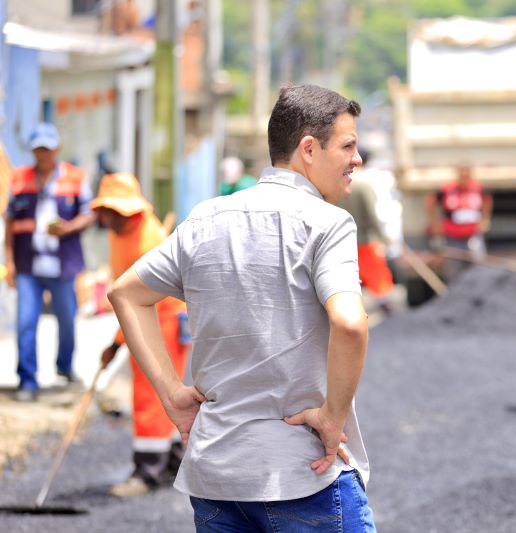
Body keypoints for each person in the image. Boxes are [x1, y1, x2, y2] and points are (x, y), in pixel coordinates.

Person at [107, 85, 375, 530]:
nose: (357, 158)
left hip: (215, 480)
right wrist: (333, 418)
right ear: (309, 149)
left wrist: (174, 396)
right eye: (348, 145)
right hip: (302, 475)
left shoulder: (206, 219)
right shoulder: (327, 224)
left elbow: (125, 294)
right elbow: (350, 324)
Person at [91, 172, 189, 497]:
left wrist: (118, 342)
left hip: (162, 318)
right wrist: (117, 342)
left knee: (150, 392)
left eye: (115, 212)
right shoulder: (119, 234)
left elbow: (142, 300)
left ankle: (148, 469)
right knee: (162, 390)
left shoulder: (147, 238)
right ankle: (174, 459)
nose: (109, 218)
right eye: (107, 211)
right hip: (145, 313)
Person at [4, 123, 94, 402]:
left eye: (47, 149)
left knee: (67, 320)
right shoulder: (19, 178)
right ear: (33, 151)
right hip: (27, 265)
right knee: (25, 323)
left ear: (56, 148)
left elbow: (89, 214)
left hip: (62, 264)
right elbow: (9, 222)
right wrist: (9, 261)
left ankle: (64, 366)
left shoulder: (75, 177)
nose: (43, 154)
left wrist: (68, 228)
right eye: (38, 149)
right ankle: (27, 380)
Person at [338, 150, 395, 314]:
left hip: (341, 241)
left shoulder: (337, 181)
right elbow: (371, 214)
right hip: (364, 240)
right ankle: (387, 309)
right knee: (378, 279)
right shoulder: (363, 184)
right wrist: (384, 237)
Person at [425, 165, 493, 279]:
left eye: (466, 176)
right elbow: (430, 201)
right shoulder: (448, 189)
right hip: (453, 236)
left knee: (479, 265)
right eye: (461, 175)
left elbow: (487, 201)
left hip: (472, 234)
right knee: (454, 268)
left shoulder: (477, 188)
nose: (464, 179)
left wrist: (485, 219)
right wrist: (434, 223)